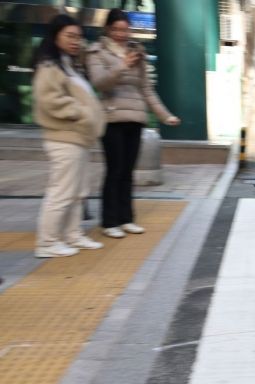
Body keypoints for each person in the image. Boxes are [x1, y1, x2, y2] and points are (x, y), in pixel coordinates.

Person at [86, 8, 180, 239]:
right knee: (115, 170)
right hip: (111, 119)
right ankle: (109, 221)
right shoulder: (95, 52)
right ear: (108, 29)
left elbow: (146, 89)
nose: (121, 34)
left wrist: (164, 116)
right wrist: (121, 65)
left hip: (136, 119)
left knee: (128, 172)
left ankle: (126, 218)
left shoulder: (137, 52)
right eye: (116, 29)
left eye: (125, 29)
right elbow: (99, 83)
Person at [33, 14, 106, 258]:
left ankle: (72, 235)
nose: (76, 41)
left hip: (78, 138)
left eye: (78, 36)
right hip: (63, 138)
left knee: (78, 192)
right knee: (61, 192)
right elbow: (48, 100)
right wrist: (81, 112)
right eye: (70, 36)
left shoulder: (68, 65)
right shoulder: (48, 66)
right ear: (55, 37)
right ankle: (47, 242)